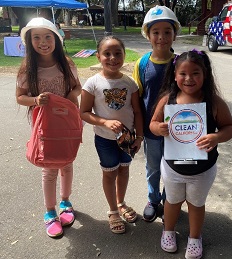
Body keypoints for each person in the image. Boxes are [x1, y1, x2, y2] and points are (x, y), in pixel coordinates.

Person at [150, 50, 232, 258]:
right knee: (172, 201)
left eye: (196, 73)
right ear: (174, 75)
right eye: (183, 73)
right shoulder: (167, 100)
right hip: (173, 167)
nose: (189, 78)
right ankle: (168, 231)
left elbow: (230, 127)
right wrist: (158, 128)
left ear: (205, 75)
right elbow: (152, 123)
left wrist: (216, 137)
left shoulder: (214, 102)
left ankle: (195, 237)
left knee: (196, 204)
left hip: (202, 170)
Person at [16, 17, 82, 238]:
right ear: (29, 41)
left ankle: (65, 201)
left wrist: (69, 99)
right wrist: (35, 100)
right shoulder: (27, 68)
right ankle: (50, 211)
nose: (43, 42)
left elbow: (77, 88)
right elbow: (20, 97)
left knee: (67, 163)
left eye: (47, 36)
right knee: (49, 167)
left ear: (56, 39)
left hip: (67, 124)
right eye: (36, 37)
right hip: (44, 126)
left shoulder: (67, 63)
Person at [80, 35, 143, 234]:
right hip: (105, 139)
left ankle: (121, 202)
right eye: (107, 53)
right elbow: (84, 112)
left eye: (118, 53)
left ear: (124, 55)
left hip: (127, 139)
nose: (113, 58)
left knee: (124, 170)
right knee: (109, 173)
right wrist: (105, 122)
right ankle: (113, 211)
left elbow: (138, 111)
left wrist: (139, 136)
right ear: (98, 56)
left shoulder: (130, 83)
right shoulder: (92, 83)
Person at [132, 5, 181, 222]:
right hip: (151, 132)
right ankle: (153, 199)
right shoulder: (142, 64)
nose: (161, 37)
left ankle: (170, 200)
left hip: (178, 131)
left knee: (174, 168)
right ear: (148, 35)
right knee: (153, 167)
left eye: (167, 32)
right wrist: (138, 130)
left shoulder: (182, 62)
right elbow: (136, 99)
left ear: (174, 34)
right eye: (156, 32)